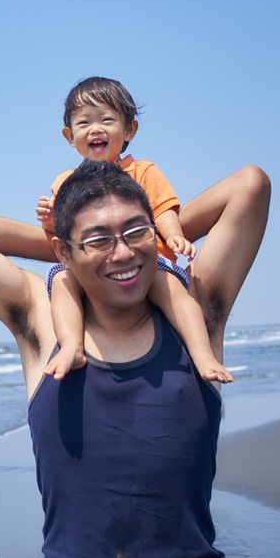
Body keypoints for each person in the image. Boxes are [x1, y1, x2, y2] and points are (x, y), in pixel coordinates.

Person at [0, 157, 269, 558]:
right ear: (62, 253)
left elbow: (250, 186)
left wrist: (155, 235)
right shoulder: (43, 322)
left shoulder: (195, 312)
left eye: (136, 232)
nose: (124, 254)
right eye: (100, 240)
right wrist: (73, 241)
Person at [35, 77, 239, 384]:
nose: (95, 129)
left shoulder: (142, 171)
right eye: (84, 123)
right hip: (89, 265)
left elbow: (163, 210)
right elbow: (63, 234)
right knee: (63, 282)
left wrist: (173, 236)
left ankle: (202, 353)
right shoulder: (66, 182)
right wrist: (49, 219)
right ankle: (72, 346)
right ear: (69, 135)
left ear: (129, 129)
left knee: (174, 292)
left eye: (107, 119)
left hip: (147, 261)